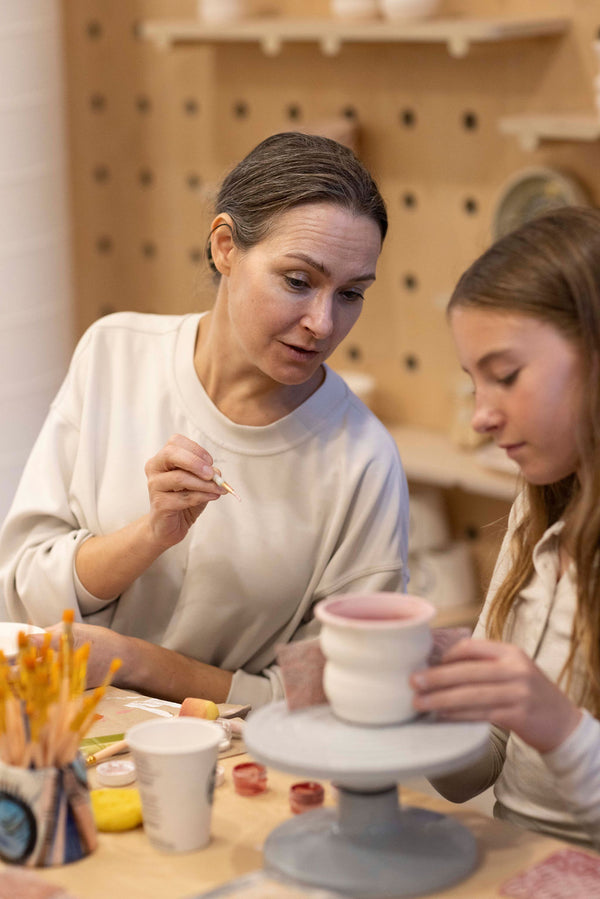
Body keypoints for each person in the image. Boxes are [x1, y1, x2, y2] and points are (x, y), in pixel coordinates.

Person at [0, 131, 409, 708]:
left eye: (351, 294)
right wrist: (151, 534)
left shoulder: (363, 459)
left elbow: (336, 697)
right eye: (298, 281)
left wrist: (135, 661)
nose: (323, 323)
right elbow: (20, 597)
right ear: (224, 247)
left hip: (240, 756)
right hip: (67, 731)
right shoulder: (115, 353)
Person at [411, 206, 600, 849]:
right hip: (519, 865)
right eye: (474, 383)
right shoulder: (539, 503)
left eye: (506, 376)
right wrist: (426, 702)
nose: (482, 417)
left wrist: (560, 726)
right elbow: (479, 771)